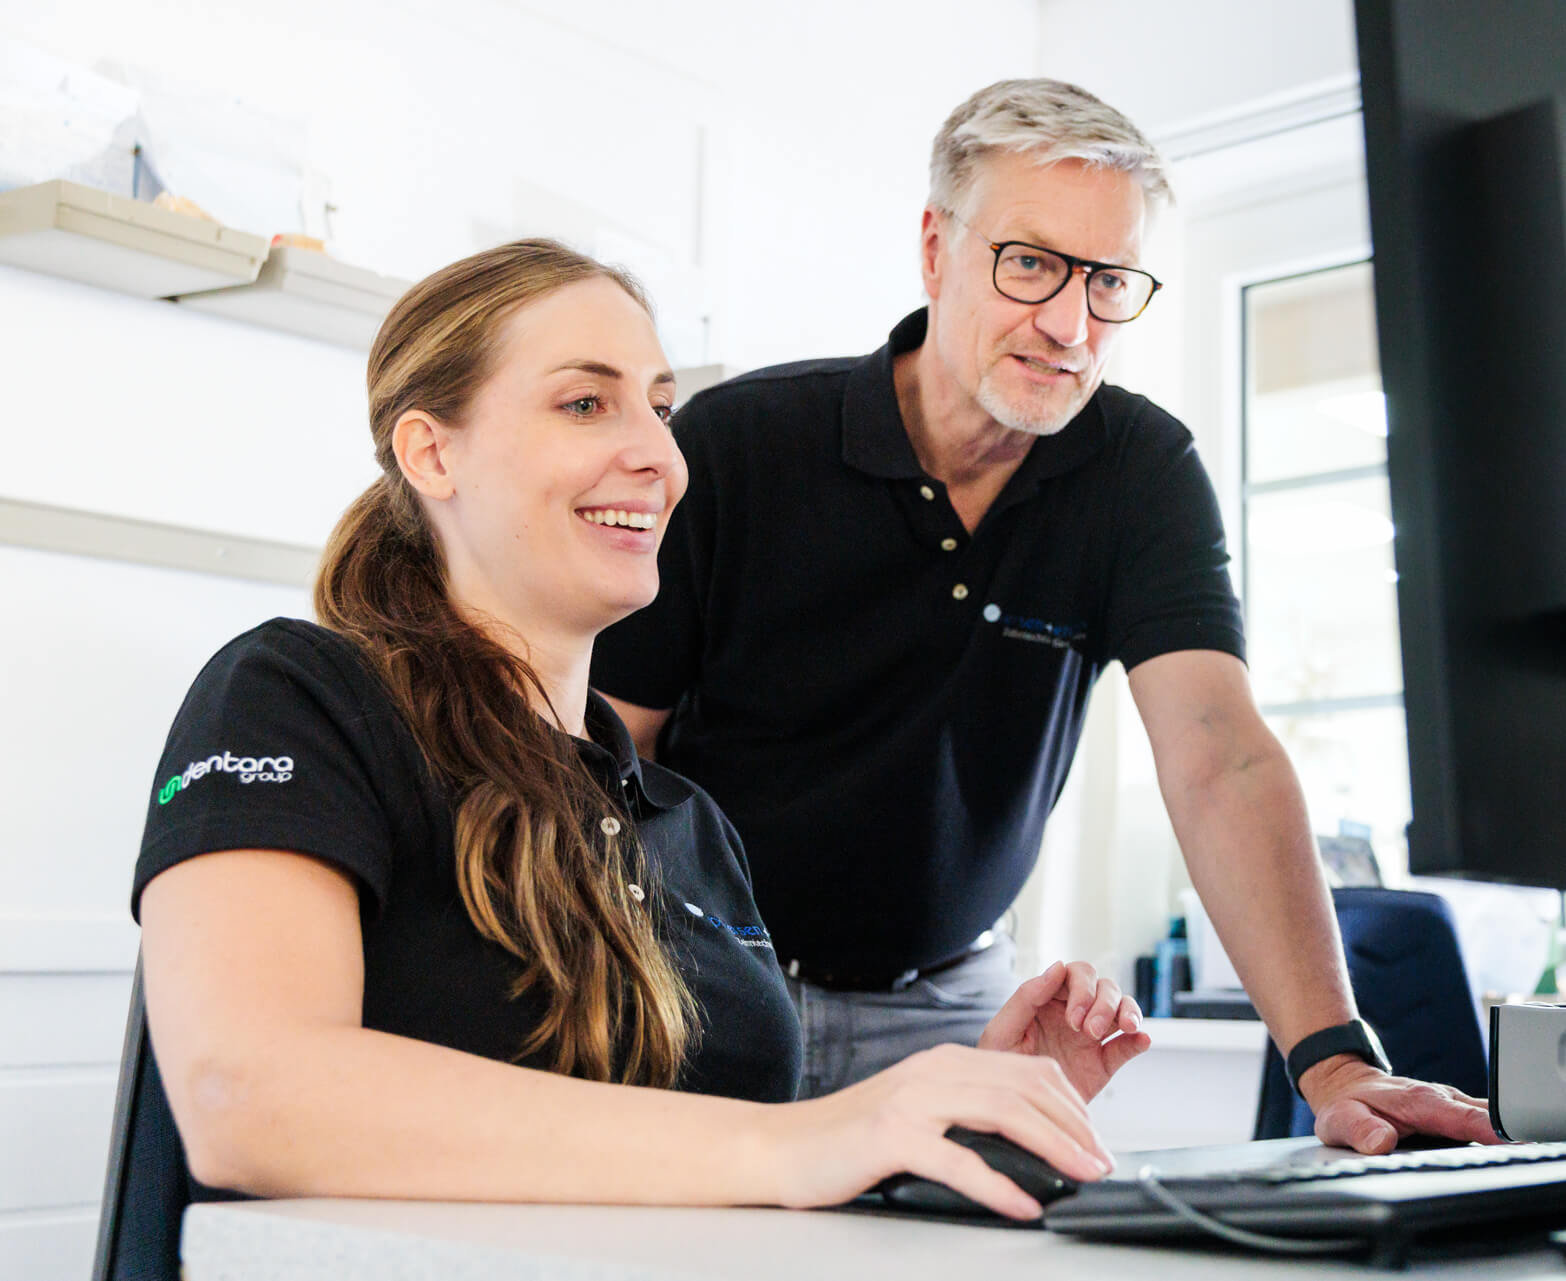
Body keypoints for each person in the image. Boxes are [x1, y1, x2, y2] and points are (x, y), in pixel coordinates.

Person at [132, 239, 1150, 1222]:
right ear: (430, 451)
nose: (659, 453)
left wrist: (969, 1115)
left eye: (661, 408)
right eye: (586, 403)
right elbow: (248, 1100)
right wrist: (805, 1141)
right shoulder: (299, 699)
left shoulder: (689, 826)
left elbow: (722, 1175)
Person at [589, 80, 1498, 1154]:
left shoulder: (1138, 473)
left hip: (951, 1011)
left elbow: (1220, 759)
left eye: (1109, 280)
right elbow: (605, 752)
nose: (1070, 326)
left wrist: (1335, 1062)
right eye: (1029, 264)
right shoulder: (741, 442)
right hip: (702, 985)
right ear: (936, 249)